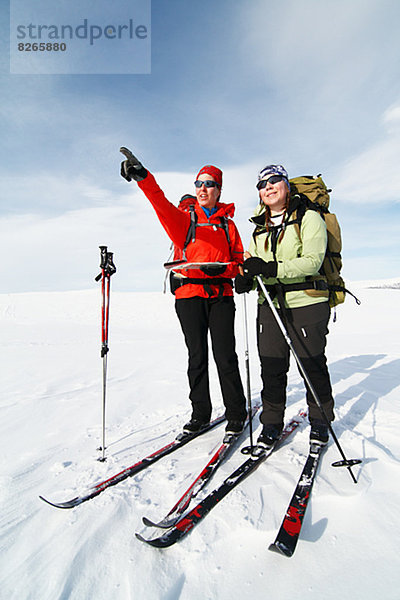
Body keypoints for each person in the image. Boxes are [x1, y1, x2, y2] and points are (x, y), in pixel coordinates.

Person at [120, 148, 247, 436]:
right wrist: (144, 178)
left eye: (209, 184)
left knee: (226, 356)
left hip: (222, 297)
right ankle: (200, 413)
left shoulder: (228, 224)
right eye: (198, 184)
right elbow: (159, 203)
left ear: (219, 189)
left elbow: (237, 260)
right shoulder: (184, 220)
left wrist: (227, 271)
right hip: (189, 297)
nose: (203, 189)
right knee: (197, 356)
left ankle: (237, 412)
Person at [235, 164, 334, 447]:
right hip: (270, 304)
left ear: (286, 185)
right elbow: (255, 268)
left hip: (307, 301)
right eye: (262, 184)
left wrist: (270, 267)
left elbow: (312, 262)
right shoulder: (258, 227)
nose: (268, 186)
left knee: (311, 364)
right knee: (272, 367)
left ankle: (320, 421)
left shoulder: (309, 218)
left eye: (274, 180)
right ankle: (271, 423)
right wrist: (247, 281)